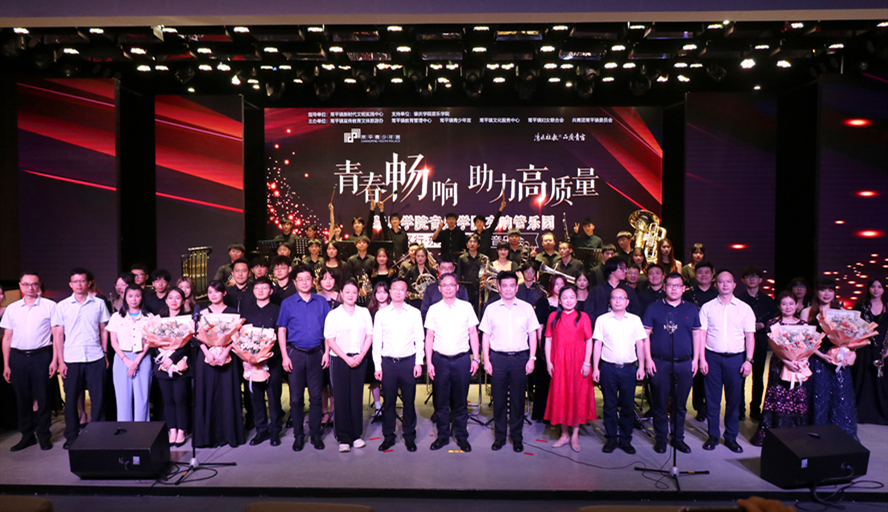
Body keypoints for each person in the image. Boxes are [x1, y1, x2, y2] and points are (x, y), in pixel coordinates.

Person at [480, 271, 540, 452]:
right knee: (498, 400)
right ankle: (499, 437)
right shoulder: (491, 308)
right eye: (504, 285)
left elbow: (533, 335)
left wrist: (532, 358)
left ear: (516, 287)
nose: (508, 289)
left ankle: (517, 437)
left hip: (520, 359)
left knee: (517, 400)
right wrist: (486, 359)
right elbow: (485, 336)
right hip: (497, 359)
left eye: (511, 285)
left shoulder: (526, 308)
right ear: (498, 287)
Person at [642, 272, 701, 454]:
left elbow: (697, 334)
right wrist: (648, 359)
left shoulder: (691, 308)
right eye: (670, 285)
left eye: (678, 286)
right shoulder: (654, 308)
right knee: (659, 403)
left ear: (683, 289)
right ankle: (661, 438)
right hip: (659, 362)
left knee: (680, 404)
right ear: (664, 287)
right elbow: (645, 335)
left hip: (684, 363)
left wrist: (696, 359)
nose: (674, 289)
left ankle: (678, 438)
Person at [1, 272, 59, 451]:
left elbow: (56, 334)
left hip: (41, 355)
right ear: (20, 286)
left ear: (38, 285)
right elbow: (7, 337)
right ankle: (27, 436)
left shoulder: (50, 306)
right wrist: (6, 364)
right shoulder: (12, 308)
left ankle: (44, 435)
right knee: (22, 398)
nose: (30, 288)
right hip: (17, 357)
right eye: (26, 284)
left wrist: (55, 360)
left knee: (43, 397)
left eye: (33, 284)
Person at [699, 269, 755, 453]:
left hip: (736, 359)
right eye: (721, 281)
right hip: (712, 357)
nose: (725, 284)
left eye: (728, 281)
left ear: (734, 284)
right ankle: (713, 435)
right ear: (716, 285)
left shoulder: (744, 308)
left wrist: (748, 360)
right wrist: (701, 359)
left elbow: (750, 337)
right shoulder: (707, 307)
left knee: (733, 400)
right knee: (712, 399)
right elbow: (701, 335)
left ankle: (731, 437)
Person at [54, 268, 111, 449]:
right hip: (71, 358)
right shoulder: (62, 306)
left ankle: (98, 435)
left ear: (89, 283)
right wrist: (60, 361)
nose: (79, 284)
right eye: (75, 281)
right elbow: (58, 335)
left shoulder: (99, 303)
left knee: (98, 399)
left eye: (82, 281)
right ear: (70, 284)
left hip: (95, 357)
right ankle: (71, 436)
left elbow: (104, 330)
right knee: (70, 400)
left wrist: (105, 353)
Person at [424, 273, 480, 452]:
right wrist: (429, 362)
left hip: (462, 360)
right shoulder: (433, 309)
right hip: (440, 361)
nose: (448, 288)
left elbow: (473, 333)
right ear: (439, 288)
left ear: (457, 288)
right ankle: (442, 436)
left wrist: (476, 358)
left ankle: (461, 436)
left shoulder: (466, 307)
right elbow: (429, 337)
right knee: (440, 402)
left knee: (461, 402)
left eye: (451, 285)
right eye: (444, 285)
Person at [278, 265, 331, 451]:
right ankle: (298, 435)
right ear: (295, 282)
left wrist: (327, 352)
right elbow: (282, 330)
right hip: (295, 354)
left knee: (316, 397)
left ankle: (315, 434)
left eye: (307, 278)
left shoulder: (321, 302)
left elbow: (329, 331)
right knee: (296, 398)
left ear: (313, 281)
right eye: (300, 279)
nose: (304, 282)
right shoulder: (287, 303)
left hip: (317, 354)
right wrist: (285, 356)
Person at [592, 287, 647, 454]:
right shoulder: (602, 320)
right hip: (608, 368)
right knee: (609, 406)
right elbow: (597, 344)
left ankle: (625, 439)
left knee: (627, 406)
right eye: (614, 297)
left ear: (627, 302)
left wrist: (642, 366)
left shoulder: (635, 320)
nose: (618, 300)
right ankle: (611, 438)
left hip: (629, 369)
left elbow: (640, 344)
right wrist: (596, 368)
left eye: (621, 298)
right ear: (610, 301)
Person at [750, 292, 808, 446]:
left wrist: (801, 361)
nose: (788, 307)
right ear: (779, 306)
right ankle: (774, 432)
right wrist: (786, 361)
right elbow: (774, 347)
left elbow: (807, 347)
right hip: (779, 364)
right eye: (784, 304)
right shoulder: (773, 323)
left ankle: (794, 433)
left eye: (791, 303)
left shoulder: (803, 324)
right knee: (777, 396)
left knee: (795, 396)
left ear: (796, 305)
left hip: (797, 366)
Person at [803, 278, 857, 440]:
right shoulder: (807, 312)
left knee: (840, 397)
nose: (826, 294)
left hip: (837, 359)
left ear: (834, 293)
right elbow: (806, 340)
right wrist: (821, 356)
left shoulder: (841, 311)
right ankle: (817, 434)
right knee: (818, 396)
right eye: (822, 289)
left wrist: (848, 352)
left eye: (830, 290)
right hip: (817, 358)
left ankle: (840, 436)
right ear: (816, 291)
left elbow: (851, 339)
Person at [374, 278, 424, 452]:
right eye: (394, 288)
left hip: (408, 362)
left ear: (406, 293)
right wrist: (378, 366)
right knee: (388, 402)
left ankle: (409, 437)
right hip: (388, 363)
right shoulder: (381, 314)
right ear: (390, 292)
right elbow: (376, 341)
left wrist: (419, 363)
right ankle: (388, 436)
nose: (397, 292)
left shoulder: (414, 313)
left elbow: (419, 339)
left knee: (409, 402)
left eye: (401, 289)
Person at [323, 280, 373, 452]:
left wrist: (361, 355)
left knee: (356, 397)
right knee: (341, 398)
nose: (351, 295)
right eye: (347, 292)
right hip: (339, 360)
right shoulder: (333, 314)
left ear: (358, 294)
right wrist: (345, 358)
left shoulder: (364, 312)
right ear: (342, 294)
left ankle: (356, 435)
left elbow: (369, 335)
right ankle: (343, 437)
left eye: (354, 292)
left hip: (359, 358)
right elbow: (330, 339)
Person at [544, 285, 595, 452]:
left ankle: (575, 434)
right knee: (561, 395)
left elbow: (589, 340)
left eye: (572, 297)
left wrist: (587, 362)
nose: (568, 300)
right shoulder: (553, 316)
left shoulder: (583, 317)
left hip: (578, 362)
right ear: (559, 300)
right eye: (565, 297)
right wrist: (549, 362)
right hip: (559, 362)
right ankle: (564, 433)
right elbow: (548, 340)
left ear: (576, 299)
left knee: (577, 396)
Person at [194, 282, 244, 448]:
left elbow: (236, 336)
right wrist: (208, 353)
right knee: (207, 394)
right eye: (210, 292)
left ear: (224, 293)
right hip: (206, 358)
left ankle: (228, 434)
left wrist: (225, 352)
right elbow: (196, 337)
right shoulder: (201, 313)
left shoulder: (233, 313)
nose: (213, 295)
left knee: (226, 394)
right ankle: (208, 437)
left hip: (227, 357)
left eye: (217, 292)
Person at [240, 277, 284, 446]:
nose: (260, 291)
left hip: (272, 361)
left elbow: (281, 336)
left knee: (274, 398)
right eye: (257, 288)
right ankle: (261, 430)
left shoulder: (278, 310)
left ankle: (275, 431)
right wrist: (246, 358)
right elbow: (241, 337)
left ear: (270, 291)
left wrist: (269, 356)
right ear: (253, 291)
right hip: (251, 363)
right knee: (256, 398)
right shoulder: (246, 312)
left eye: (264, 288)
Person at [737, 266, 778, 422]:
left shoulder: (769, 301)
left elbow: (774, 322)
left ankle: (755, 409)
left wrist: (763, 325)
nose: (752, 279)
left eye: (755, 276)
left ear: (760, 280)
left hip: (760, 341)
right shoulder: (738, 300)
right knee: (740, 376)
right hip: (741, 341)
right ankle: (739, 409)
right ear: (743, 280)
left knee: (758, 376)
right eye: (748, 276)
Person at [107, 284, 152, 422]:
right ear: (125, 298)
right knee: (122, 398)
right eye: (130, 296)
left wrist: (136, 361)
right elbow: (113, 342)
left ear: (142, 297)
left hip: (142, 358)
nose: (134, 299)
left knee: (142, 398)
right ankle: (125, 430)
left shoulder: (149, 317)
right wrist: (126, 360)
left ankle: (142, 430)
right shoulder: (116, 317)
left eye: (137, 296)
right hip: (122, 359)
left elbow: (149, 341)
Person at [155, 287, 193, 447]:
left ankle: (182, 430)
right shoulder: (159, 319)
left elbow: (188, 344)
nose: (174, 301)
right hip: (163, 364)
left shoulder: (187, 319)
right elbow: (153, 341)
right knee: (168, 400)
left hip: (180, 364)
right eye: (171, 297)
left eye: (178, 298)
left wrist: (172, 358)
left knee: (180, 399)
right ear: (166, 300)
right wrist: (164, 356)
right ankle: (172, 430)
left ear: (183, 301)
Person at [683, 260, 717, 421]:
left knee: (710, 375)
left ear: (712, 275)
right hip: (692, 339)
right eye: (700, 272)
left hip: (713, 339)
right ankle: (698, 406)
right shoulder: (688, 294)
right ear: (695, 275)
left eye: (707, 272)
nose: (703, 275)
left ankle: (709, 406)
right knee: (695, 375)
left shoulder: (718, 294)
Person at [851, 277, 887, 425]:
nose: (876, 290)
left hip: (883, 349)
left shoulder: (887, 306)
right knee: (862, 379)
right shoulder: (860, 306)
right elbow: (852, 326)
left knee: (881, 382)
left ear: (884, 289)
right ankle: (860, 413)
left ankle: (881, 414)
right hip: (863, 348)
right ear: (868, 288)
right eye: (873, 286)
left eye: (879, 287)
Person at [584, 257, 642, 323]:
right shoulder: (596, 290)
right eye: (621, 268)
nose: (625, 271)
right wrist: (600, 323)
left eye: (625, 269)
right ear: (612, 269)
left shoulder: (629, 291)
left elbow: (636, 312)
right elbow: (588, 312)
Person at [366, 282, 389, 421]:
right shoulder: (369, 311)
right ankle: (378, 407)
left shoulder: (394, 309)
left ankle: (389, 406)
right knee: (374, 379)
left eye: (384, 292)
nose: (381, 295)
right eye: (378, 292)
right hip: (373, 348)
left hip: (390, 348)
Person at [420, 256, 471, 320]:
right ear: (438, 268)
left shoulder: (461, 289)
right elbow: (424, 312)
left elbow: (466, 311)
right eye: (443, 268)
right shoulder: (430, 289)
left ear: (454, 269)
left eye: (449, 268)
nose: (446, 271)